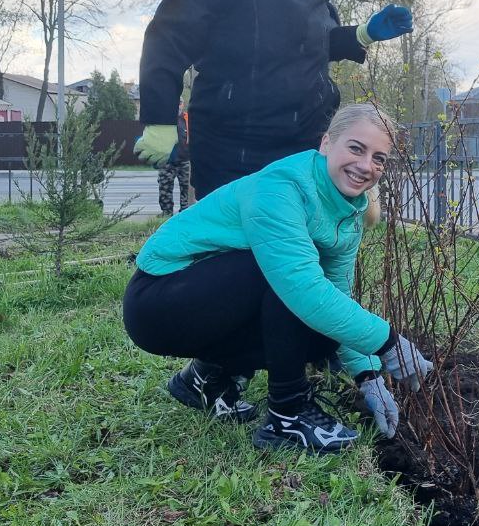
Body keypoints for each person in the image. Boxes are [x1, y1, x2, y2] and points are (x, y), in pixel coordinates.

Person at [123, 103, 435, 453]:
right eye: (356, 148)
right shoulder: (282, 186)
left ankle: (206, 378)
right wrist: (389, 342)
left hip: (209, 298)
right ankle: (288, 416)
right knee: (287, 276)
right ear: (327, 143)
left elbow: (338, 294)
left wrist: (369, 376)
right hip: (160, 301)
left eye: (379, 158)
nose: (366, 166)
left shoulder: (349, 212)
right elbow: (300, 285)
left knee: (322, 335)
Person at [135, 0, 414, 197]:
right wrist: (159, 120)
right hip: (233, 149)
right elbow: (166, 42)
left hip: (304, 144)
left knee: (299, 240)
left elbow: (314, 45)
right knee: (235, 242)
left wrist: (364, 33)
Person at [156, 109, 191, 217]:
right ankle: (166, 213)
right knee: (164, 188)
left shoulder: (187, 119)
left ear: (182, 104)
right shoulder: (163, 118)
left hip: (185, 160)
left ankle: (186, 213)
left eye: (180, 103)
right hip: (167, 161)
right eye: (177, 103)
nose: (178, 106)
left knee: (187, 189)